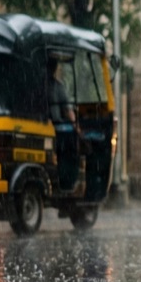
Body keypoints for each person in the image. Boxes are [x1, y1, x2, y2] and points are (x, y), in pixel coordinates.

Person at [48, 57, 78, 189]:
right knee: (71, 147)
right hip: (56, 128)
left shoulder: (34, 84)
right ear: (54, 68)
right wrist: (76, 126)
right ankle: (67, 181)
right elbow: (68, 110)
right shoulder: (57, 86)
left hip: (39, 125)